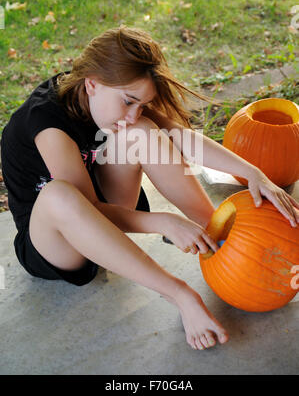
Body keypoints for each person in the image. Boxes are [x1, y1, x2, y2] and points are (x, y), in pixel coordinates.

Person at [1, 26, 298, 352]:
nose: (133, 114)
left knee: (142, 132)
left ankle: (219, 236)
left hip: (107, 220)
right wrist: (162, 221)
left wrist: (252, 171)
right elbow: (88, 211)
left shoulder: (105, 92)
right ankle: (179, 294)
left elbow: (178, 137)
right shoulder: (47, 123)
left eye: (142, 104)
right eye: (128, 102)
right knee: (59, 194)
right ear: (92, 84)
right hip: (55, 243)